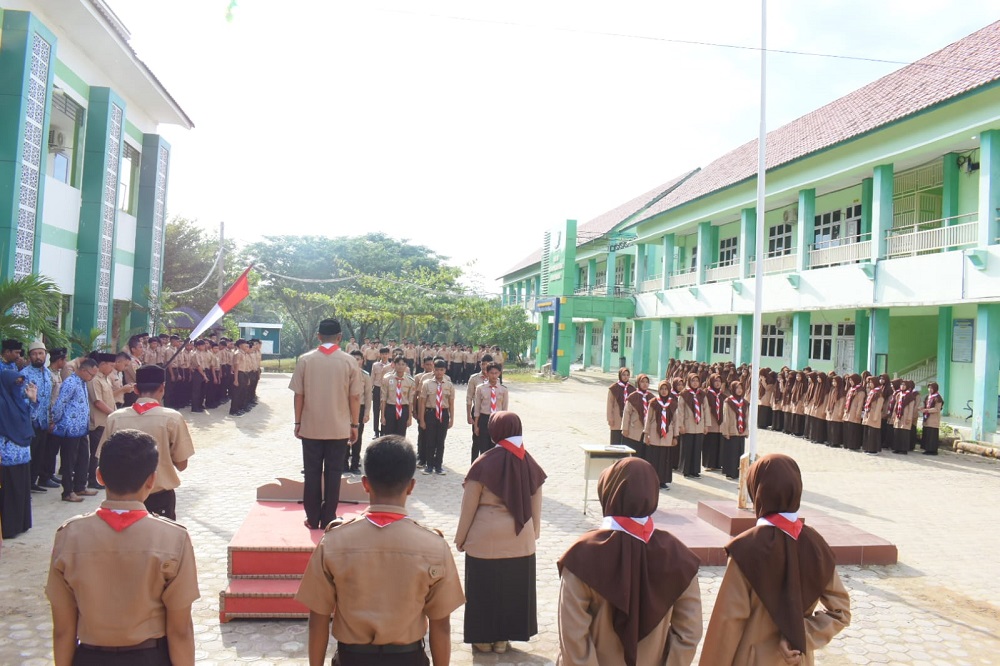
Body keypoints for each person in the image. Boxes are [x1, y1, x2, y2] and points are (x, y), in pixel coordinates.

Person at [295, 434, 465, 666]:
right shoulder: (434, 546)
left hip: (352, 659)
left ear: (365, 484)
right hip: (408, 659)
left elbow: (318, 619)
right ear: (411, 486)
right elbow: (440, 625)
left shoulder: (334, 542)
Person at [45, 429, 200, 666]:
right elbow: (180, 631)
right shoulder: (173, 538)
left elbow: (63, 631)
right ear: (152, 479)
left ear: (99, 476)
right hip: (150, 657)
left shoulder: (69, 535)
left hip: (89, 657)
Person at [701, 453, 851, 665]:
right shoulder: (816, 545)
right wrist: (799, 635)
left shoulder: (746, 549)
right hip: (797, 659)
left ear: (758, 492)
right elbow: (840, 611)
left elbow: (728, 623)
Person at [556, 457, 701, 666]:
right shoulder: (679, 558)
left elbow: (572, 635)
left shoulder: (582, 555)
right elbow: (689, 632)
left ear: (608, 491)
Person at [456, 412, 545, 654]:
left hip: (485, 539)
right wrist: (533, 532)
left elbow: (469, 507)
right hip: (520, 538)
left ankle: (483, 640)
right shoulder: (529, 461)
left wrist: (461, 538)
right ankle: (502, 640)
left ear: (493, 430)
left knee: (483, 590)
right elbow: (536, 500)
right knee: (511, 589)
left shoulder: (483, 462)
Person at [289, 318, 364, 531]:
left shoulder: (305, 360)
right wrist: (355, 424)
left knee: (311, 472)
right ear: (340, 337)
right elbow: (355, 397)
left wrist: (297, 422)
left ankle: (312, 518)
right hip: (339, 427)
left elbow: (298, 395)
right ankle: (329, 516)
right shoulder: (350, 362)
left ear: (318, 336)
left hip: (311, 426)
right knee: (334, 473)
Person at [98, 365, 195, 521]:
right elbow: (182, 464)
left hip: (120, 498)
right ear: (162, 388)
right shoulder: (172, 418)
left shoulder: (115, 418)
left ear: (135, 389)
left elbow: (103, 459)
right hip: (159, 496)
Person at [51, 359, 100, 503]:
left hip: (81, 428)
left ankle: (80, 486)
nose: (92, 378)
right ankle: (67, 491)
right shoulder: (70, 382)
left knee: (84, 457)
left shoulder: (82, 382)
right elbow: (61, 403)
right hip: (69, 428)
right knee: (68, 460)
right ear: (84, 371)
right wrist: (55, 420)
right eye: (91, 374)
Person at [1, 370, 38, 539]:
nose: (19, 386)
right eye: (15, 383)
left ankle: (21, 524)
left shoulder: (17, 400)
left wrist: (33, 400)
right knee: (9, 492)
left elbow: (31, 419)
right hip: (6, 457)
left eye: (20, 382)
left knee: (21, 491)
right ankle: (8, 528)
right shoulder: (2, 403)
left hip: (22, 455)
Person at [20, 341, 54, 493]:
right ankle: (25, 484)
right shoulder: (24, 375)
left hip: (44, 421)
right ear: (30, 356)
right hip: (30, 420)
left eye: (40, 353)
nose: (38, 357)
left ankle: (33, 482)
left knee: (40, 453)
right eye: (34, 354)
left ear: (45, 355)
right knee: (30, 454)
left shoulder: (47, 373)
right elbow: (20, 398)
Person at [86, 353, 118, 490]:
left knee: (104, 452)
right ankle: (93, 479)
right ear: (103, 364)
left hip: (107, 421)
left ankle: (102, 478)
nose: (112, 369)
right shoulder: (95, 380)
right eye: (110, 365)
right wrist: (114, 413)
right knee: (96, 452)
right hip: (98, 422)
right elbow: (98, 402)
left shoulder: (106, 379)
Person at [418, 359, 455, 476]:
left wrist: (451, 418)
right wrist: (422, 419)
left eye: (441, 370)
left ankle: (438, 466)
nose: (439, 372)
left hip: (443, 413)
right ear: (433, 369)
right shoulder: (427, 383)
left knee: (440, 441)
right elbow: (422, 402)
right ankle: (429, 466)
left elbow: (451, 403)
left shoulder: (449, 385)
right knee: (430, 440)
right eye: (437, 369)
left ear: (445, 370)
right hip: (430, 413)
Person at [642, 379, 677, 490]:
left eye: (666, 389)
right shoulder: (653, 402)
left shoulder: (673, 404)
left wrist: (675, 436)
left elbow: (676, 421)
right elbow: (648, 419)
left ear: (669, 390)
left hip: (668, 435)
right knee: (654, 458)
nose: (663, 391)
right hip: (654, 434)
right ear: (658, 390)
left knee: (665, 459)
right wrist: (646, 434)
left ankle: (662, 481)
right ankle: (652, 480)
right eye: (661, 389)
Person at [472, 362, 508, 461]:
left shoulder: (503, 390)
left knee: (495, 447)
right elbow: (477, 408)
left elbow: (505, 409)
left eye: (496, 373)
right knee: (483, 447)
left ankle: (493, 471)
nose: (494, 375)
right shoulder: (480, 388)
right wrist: (476, 425)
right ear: (487, 373)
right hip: (484, 419)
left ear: (500, 373)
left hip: (497, 420)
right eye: (491, 373)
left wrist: (504, 426)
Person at [345, 350, 373, 474]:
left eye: (358, 359)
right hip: (345, 409)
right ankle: (344, 463)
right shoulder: (343, 375)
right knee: (344, 435)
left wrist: (367, 412)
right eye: (353, 358)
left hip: (359, 408)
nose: (356, 361)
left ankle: (355, 464)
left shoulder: (365, 375)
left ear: (362, 360)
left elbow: (368, 396)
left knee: (357, 436)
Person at [677, 373, 705, 480]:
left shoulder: (701, 394)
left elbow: (706, 410)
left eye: (697, 381)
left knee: (697, 449)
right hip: (687, 425)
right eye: (693, 381)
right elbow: (680, 412)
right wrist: (681, 425)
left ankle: (695, 471)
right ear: (689, 381)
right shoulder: (684, 394)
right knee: (687, 448)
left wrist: (706, 425)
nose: (695, 383)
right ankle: (686, 470)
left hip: (699, 426)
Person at [382, 356, 416, 439]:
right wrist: (382, 416)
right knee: (388, 435)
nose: (400, 366)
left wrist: (410, 418)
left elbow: (410, 400)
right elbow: (383, 398)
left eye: (403, 364)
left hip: (403, 409)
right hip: (390, 408)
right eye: (398, 364)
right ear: (394, 365)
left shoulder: (410, 381)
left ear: (406, 366)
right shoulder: (387, 378)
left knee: (401, 435)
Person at [720, 381, 748, 480]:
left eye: (741, 388)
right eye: (737, 388)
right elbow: (726, 417)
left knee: (740, 452)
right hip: (732, 430)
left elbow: (746, 417)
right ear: (733, 389)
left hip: (741, 431)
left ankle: (738, 472)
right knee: (731, 452)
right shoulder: (729, 401)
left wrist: (747, 431)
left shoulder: (744, 402)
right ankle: (730, 472)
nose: (739, 390)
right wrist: (725, 432)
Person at [621, 374, 651, 460]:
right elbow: (626, 414)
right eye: (642, 382)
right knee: (634, 455)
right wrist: (625, 429)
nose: (645, 384)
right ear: (638, 383)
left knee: (644, 455)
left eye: (646, 382)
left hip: (646, 431)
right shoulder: (632, 397)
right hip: (634, 431)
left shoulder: (651, 397)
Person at [703, 373, 725, 471]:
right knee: (710, 443)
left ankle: (717, 464)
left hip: (720, 424)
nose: (717, 383)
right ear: (711, 382)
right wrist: (706, 424)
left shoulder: (722, 395)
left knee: (719, 443)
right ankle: (709, 464)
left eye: (719, 381)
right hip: (710, 423)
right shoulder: (706, 394)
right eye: (715, 381)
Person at [606, 368, 633, 446]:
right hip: (616, 418)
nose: (625, 377)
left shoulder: (631, 388)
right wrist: (610, 418)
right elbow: (610, 404)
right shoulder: (613, 388)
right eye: (623, 375)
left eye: (627, 375)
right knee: (615, 440)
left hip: (628, 419)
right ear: (620, 375)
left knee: (625, 441)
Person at [370, 347, 391, 438]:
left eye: (386, 354)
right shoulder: (375, 365)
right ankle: (376, 431)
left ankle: (383, 431)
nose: (384, 356)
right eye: (382, 354)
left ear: (388, 355)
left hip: (386, 390)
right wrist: (370, 390)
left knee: (384, 410)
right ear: (380, 354)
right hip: (377, 389)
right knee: (376, 410)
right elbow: (372, 378)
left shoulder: (391, 366)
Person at [892, 380, 918, 455]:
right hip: (898, 416)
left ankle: (903, 449)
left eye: (904, 385)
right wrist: (894, 414)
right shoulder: (899, 394)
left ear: (907, 386)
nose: (902, 386)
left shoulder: (910, 396)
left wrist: (909, 418)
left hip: (905, 416)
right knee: (897, 432)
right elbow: (896, 405)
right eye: (901, 385)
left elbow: (911, 408)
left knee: (904, 433)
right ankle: (897, 448)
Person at [861, 376, 884, 455]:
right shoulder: (871, 392)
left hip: (874, 415)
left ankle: (873, 449)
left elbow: (879, 406)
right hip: (868, 414)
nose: (870, 384)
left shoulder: (879, 393)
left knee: (873, 433)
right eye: (869, 382)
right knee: (868, 432)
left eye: (871, 382)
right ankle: (867, 448)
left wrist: (875, 416)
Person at [842, 374, 865, 451]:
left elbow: (860, 403)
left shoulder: (860, 390)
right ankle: (847, 444)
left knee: (853, 430)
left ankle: (853, 446)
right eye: (850, 380)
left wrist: (858, 414)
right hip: (848, 411)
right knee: (847, 429)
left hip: (854, 412)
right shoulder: (851, 389)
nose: (850, 382)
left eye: (852, 380)